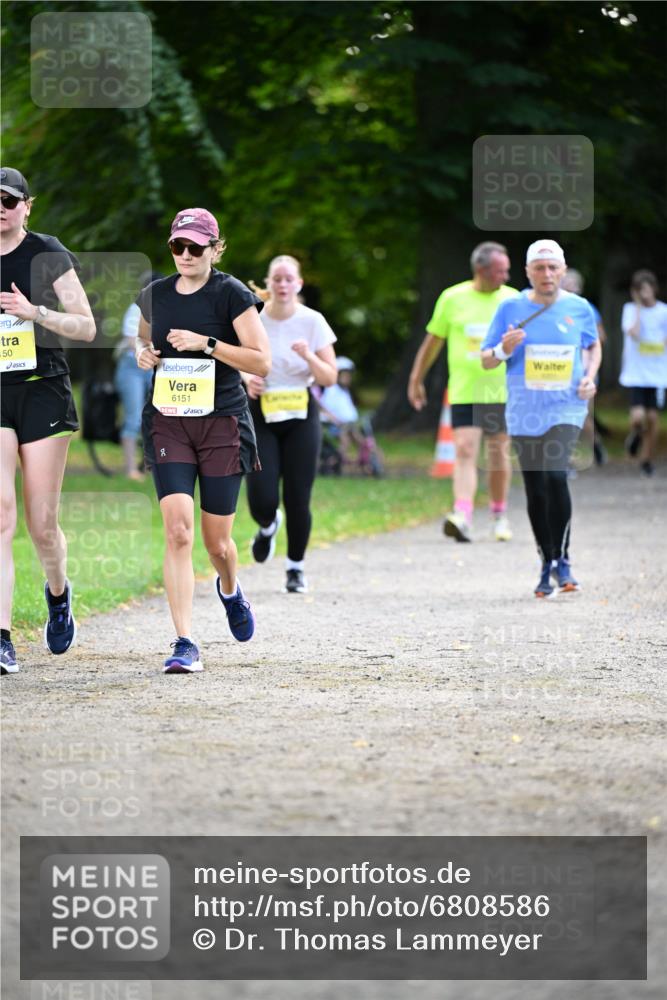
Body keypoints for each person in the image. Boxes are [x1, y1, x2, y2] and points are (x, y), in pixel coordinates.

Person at [136, 208, 270, 673]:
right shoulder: (154, 295)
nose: (186, 255)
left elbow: (261, 362)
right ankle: (184, 641)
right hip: (169, 420)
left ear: (216, 248)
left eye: (196, 247)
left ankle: (230, 588)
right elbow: (142, 340)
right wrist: (144, 354)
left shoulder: (231, 294)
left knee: (217, 544)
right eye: (178, 246)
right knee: (177, 531)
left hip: (221, 424)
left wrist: (207, 344)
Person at [0, 167, 96, 675]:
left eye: (8, 200)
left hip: (42, 393)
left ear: (26, 206)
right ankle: (2, 637)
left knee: (41, 525)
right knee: (0, 513)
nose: (0, 207)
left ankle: (58, 594)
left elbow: (85, 325)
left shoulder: (46, 252)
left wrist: (34, 312)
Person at [481, 239, 601, 598]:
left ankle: (563, 558)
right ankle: (546, 561)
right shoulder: (510, 307)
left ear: (563, 271)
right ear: (528, 272)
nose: (547, 274)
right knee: (535, 487)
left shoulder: (579, 308)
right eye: (539, 268)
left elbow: (592, 344)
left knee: (554, 473)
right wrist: (506, 348)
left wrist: (590, 375)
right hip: (524, 409)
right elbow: (487, 359)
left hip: (566, 406)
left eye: (553, 268)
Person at [408, 241, 518, 543]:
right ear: (481, 270)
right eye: (500, 271)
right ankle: (463, 515)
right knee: (465, 450)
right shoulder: (453, 298)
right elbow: (432, 342)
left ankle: (499, 515)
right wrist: (416, 379)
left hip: (502, 392)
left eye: (507, 271)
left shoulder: (513, 299)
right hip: (465, 390)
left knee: (498, 456)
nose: (505, 277)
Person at [245, 255, 337, 594]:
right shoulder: (253, 318)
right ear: (268, 284)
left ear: (298, 284)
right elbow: (236, 359)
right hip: (262, 410)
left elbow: (330, 375)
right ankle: (268, 526)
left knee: (299, 497)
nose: (282, 285)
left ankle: (295, 568)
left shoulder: (312, 321)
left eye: (289, 279)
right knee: (262, 496)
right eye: (276, 279)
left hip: (301, 412)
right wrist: (246, 378)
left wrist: (308, 356)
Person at [114, 271, 162, 480]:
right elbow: (132, 340)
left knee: (157, 419)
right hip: (132, 367)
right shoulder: (135, 311)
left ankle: (150, 466)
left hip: (154, 368)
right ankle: (130, 468)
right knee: (133, 418)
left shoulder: (164, 310)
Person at [619, 269, 667, 478]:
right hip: (636, 373)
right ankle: (636, 435)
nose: (644, 294)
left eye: (647, 289)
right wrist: (638, 307)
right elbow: (634, 332)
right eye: (640, 291)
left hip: (657, 375)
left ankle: (646, 459)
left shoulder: (664, 311)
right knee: (638, 417)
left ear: (654, 289)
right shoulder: (629, 309)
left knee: (653, 418)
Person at [560, 267, 608, 467]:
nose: (571, 286)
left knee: (583, 415)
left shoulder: (587, 309)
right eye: (567, 282)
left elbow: (601, 338)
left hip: (584, 370)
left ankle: (595, 443)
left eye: (574, 283)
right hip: (558, 370)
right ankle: (566, 459)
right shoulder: (553, 308)